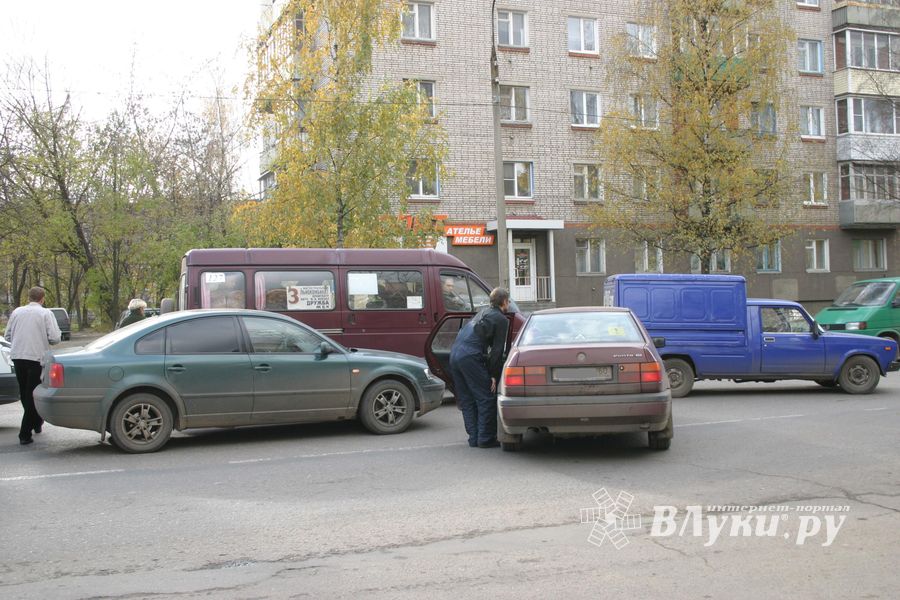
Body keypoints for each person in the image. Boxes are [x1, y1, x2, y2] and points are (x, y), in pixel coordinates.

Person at [449, 287, 510, 448]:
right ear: (504, 302)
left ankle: (474, 438)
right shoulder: (501, 319)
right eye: (508, 301)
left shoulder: (481, 312)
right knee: (486, 397)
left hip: (454, 353)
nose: (508, 304)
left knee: (467, 399)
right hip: (470, 356)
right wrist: (493, 375)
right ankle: (485, 438)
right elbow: (497, 351)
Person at [5, 286, 61, 445]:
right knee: (33, 394)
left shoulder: (16, 312)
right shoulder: (45, 313)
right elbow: (55, 338)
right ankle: (25, 432)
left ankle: (36, 423)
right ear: (42, 299)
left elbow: (8, 335)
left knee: (24, 393)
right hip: (36, 358)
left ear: (28, 297)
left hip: (17, 356)